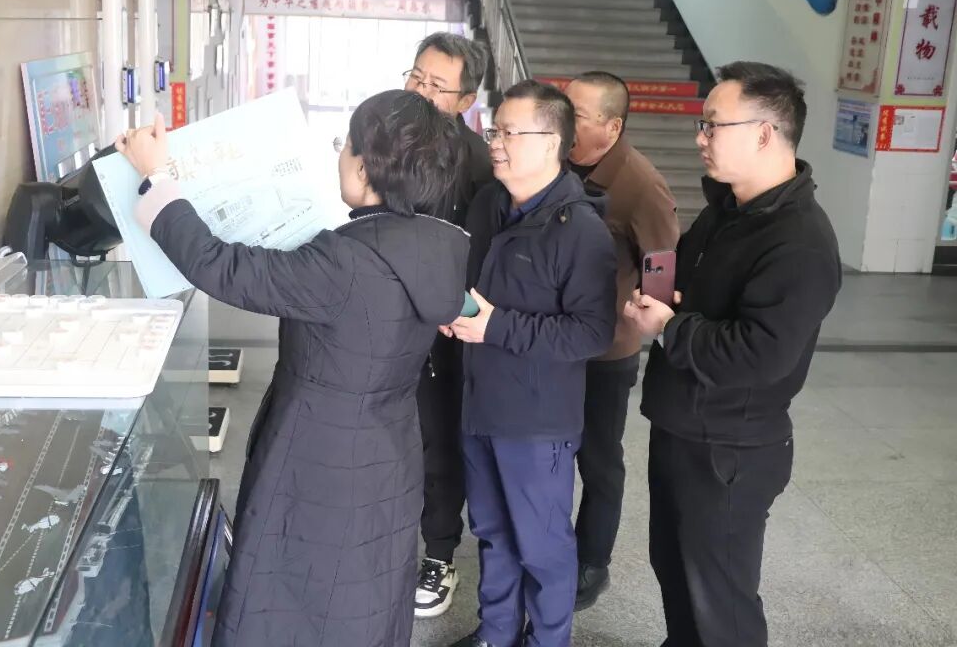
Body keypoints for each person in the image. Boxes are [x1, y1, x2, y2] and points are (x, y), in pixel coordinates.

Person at [116, 90, 472, 647]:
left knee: (294, 587)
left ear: (365, 167)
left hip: (318, 454)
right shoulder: (436, 246)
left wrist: (157, 177)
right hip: (388, 447)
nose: (341, 155)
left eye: (346, 144)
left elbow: (220, 266)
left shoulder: (345, 262)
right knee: (365, 584)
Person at [622, 61, 842, 647]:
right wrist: (672, 301)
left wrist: (670, 327)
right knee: (676, 569)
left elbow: (759, 354)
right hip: (683, 425)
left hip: (729, 448)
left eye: (712, 124)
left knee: (720, 600)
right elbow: (709, 297)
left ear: (765, 133)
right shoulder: (730, 210)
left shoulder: (799, 240)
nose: (701, 137)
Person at [444, 80, 618, 647]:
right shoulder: (489, 206)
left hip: (536, 421)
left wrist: (495, 326)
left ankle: (547, 640)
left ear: (551, 143)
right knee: (492, 532)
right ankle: (497, 634)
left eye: (509, 133)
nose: (495, 143)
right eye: (494, 131)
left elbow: (592, 332)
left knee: (542, 547)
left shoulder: (581, 231)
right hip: (480, 403)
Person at [563, 71, 679, 609]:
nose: (564, 122)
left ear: (612, 127)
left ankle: (593, 560)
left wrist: (642, 311)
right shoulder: (559, 161)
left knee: (598, 458)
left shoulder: (639, 182)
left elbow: (661, 266)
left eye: (577, 116)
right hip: (552, 339)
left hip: (605, 349)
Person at [403, 32, 494, 618]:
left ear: (465, 101)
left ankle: (439, 554)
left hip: (443, 330)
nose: (420, 91)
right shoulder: (386, 138)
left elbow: (480, 254)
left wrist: (451, 307)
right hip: (386, 318)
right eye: (416, 76)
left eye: (437, 86)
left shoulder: (479, 164)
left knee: (438, 442)